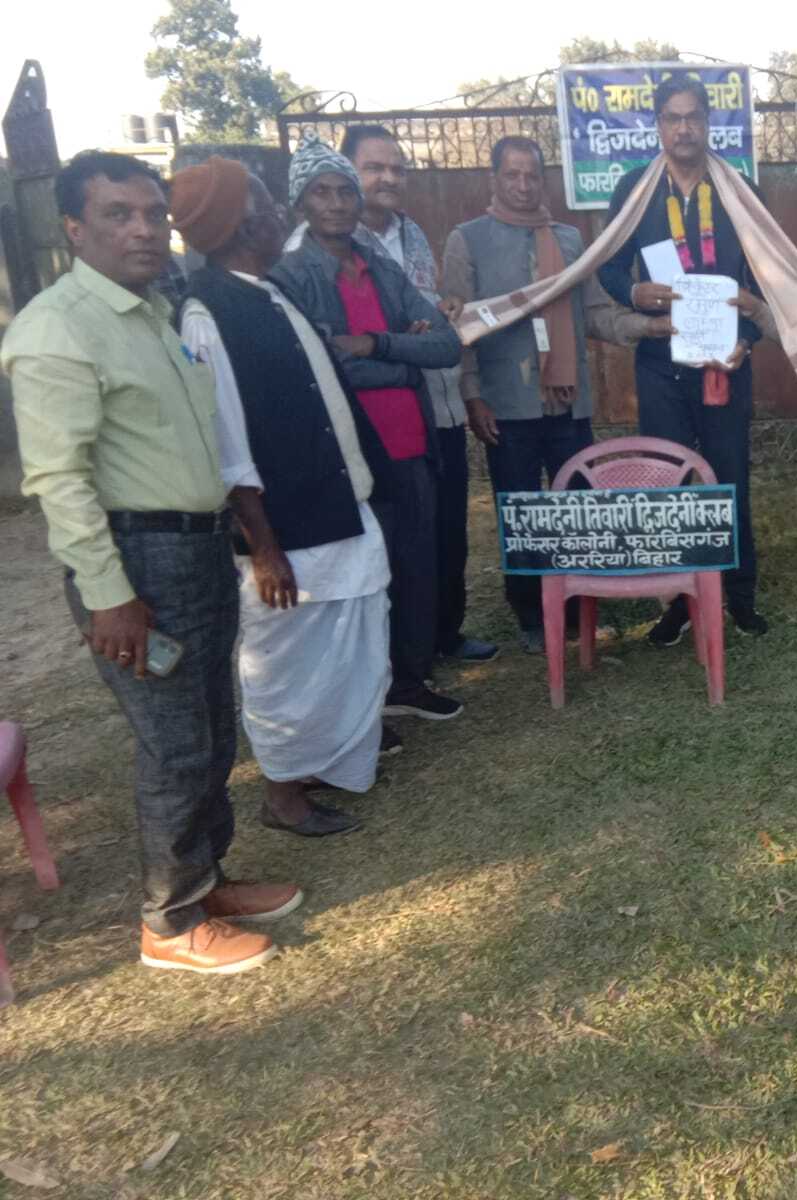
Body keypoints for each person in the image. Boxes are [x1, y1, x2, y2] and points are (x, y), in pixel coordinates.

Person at [2, 152, 296, 974]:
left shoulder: (153, 312)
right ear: (73, 228)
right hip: (138, 563)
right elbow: (59, 480)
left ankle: (206, 882)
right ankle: (170, 923)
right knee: (174, 745)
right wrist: (110, 595)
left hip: (196, 546)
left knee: (212, 728)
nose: (142, 230)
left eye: (151, 214)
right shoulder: (58, 329)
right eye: (117, 215)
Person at [173, 157, 391, 838]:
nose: (281, 216)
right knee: (288, 663)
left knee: (347, 647)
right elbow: (227, 442)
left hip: (334, 507)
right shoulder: (207, 313)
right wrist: (263, 548)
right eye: (268, 206)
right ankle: (282, 794)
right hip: (285, 533)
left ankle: (323, 761)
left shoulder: (267, 289)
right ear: (242, 225)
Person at [443, 136, 667, 653]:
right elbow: (461, 326)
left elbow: (595, 313)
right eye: (512, 175)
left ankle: (578, 609)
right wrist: (473, 396)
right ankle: (530, 615)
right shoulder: (468, 239)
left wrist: (649, 328)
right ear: (494, 179)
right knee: (521, 513)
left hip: (568, 402)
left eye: (532, 175)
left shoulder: (568, 240)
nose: (523, 185)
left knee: (577, 509)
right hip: (506, 403)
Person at [271, 139, 466, 722]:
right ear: (300, 202)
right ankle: (363, 701)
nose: (336, 203)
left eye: (344, 192)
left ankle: (408, 682)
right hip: (349, 452)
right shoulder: (291, 274)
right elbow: (321, 363)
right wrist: (403, 359)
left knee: (416, 567)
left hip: (412, 444)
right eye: (321, 192)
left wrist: (378, 344)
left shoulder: (379, 265)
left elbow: (446, 345)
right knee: (360, 581)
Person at [598, 75, 771, 644]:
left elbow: (767, 276)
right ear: (657, 125)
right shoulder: (635, 190)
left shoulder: (739, 189)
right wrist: (633, 293)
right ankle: (676, 601)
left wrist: (749, 336)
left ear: (708, 122)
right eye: (672, 117)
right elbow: (606, 265)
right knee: (668, 482)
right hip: (661, 361)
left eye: (693, 116)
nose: (684, 128)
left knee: (729, 477)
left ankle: (739, 596)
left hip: (725, 362)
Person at [338, 124, 496, 666]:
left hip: (441, 407)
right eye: (374, 168)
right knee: (402, 535)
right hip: (385, 416)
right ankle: (403, 655)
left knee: (449, 527)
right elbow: (355, 341)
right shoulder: (335, 246)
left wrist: (443, 309)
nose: (388, 178)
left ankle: (445, 633)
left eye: (397, 169)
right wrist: (410, 337)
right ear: (347, 173)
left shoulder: (412, 233)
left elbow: (430, 314)